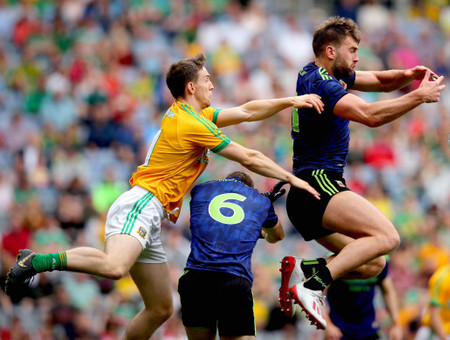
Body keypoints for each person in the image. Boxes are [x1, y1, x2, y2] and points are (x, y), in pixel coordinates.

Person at [4, 53, 322, 340]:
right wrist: (292, 178)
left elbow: (248, 111)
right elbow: (248, 157)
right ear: (190, 87)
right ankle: (36, 260)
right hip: (142, 202)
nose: (212, 84)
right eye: (207, 80)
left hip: (152, 213)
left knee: (160, 308)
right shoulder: (190, 122)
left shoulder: (194, 115)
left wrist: (290, 101)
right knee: (115, 267)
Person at [279, 16, 446, 329]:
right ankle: (312, 286)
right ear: (331, 51)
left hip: (310, 191)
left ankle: (305, 270)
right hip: (317, 183)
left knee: (373, 263)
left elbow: (382, 82)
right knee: (387, 236)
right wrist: (418, 96)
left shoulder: (321, 74)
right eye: (352, 50)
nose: (357, 57)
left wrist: (408, 76)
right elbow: (369, 115)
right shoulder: (322, 84)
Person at [178, 171, 286, 340]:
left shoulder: (200, 189)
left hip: (195, 279)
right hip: (232, 281)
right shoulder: (260, 201)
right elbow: (277, 236)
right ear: (249, 188)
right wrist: (260, 217)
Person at [324, 261, 403, 340]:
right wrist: (327, 324)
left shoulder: (379, 261)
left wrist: (396, 324)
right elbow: (318, 294)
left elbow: (388, 291)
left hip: (368, 328)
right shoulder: (335, 260)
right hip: (339, 331)